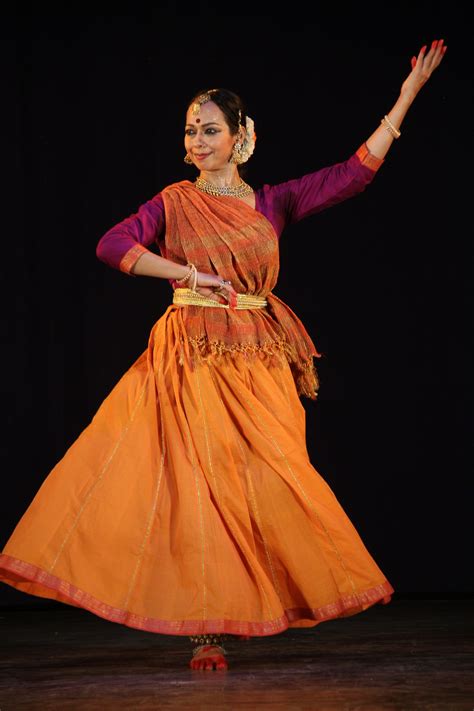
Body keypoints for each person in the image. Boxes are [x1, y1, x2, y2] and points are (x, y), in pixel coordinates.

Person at [0, 39, 446, 672]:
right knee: (201, 488)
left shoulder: (273, 202)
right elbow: (110, 244)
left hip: (260, 361)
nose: (198, 139)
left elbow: (354, 174)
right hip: (192, 356)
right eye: (190, 130)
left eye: (210, 128)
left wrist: (407, 95)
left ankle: (275, 602)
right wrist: (187, 273)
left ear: (242, 135)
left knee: (272, 478)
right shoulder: (173, 203)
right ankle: (205, 631)